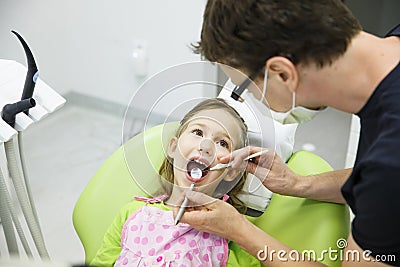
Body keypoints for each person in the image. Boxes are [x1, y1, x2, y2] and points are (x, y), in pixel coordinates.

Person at [177, 1, 400, 266]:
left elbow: (385, 180)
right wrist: (298, 184)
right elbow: (373, 180)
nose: (249, 99)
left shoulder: (390, 166)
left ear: (282, 73)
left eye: (243, 89)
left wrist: (239, 230)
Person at [90, 98, 256, 267]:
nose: (206, 146)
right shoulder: (131, 214)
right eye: (198, 132)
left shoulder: (230, 236)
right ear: (173, 148)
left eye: (223, 143)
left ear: (231, 171)